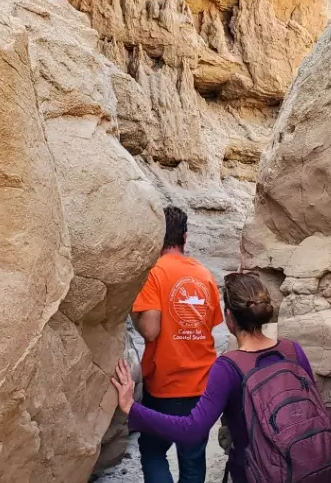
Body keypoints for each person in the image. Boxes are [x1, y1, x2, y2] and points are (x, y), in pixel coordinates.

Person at [115, 272, 331, 483]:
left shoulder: (229, 368)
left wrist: (131, 408)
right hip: (308, 467)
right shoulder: (293, 350)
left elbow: (192, 429)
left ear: (229, 317)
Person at [129, 206, 224, 483]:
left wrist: (134, 314)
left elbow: (150, 330)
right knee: (193, 460)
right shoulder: (204, 275)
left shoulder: (154, 272)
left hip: (164, 385)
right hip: (203, 385)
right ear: (185, 236)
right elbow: (206, 326)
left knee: (153, 450)